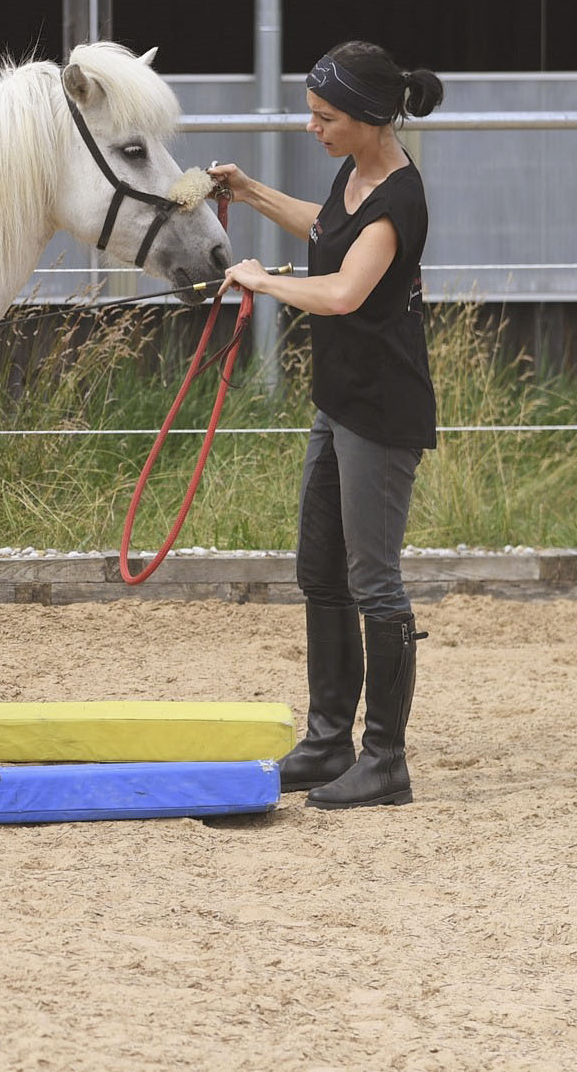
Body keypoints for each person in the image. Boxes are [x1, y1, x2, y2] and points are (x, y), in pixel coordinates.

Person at [209, 40, 445, 811]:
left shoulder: (400, 197)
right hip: (339, 400)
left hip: (382, 410)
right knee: (320, 570)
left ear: (371, 118)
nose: (314, 128)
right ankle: (326, 739)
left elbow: (343, 291)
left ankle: (386, 761)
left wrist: (261, 280)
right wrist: (248, 193)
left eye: (325, 117)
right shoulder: (358, 173)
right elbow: (325, 229)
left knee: (373, 579)